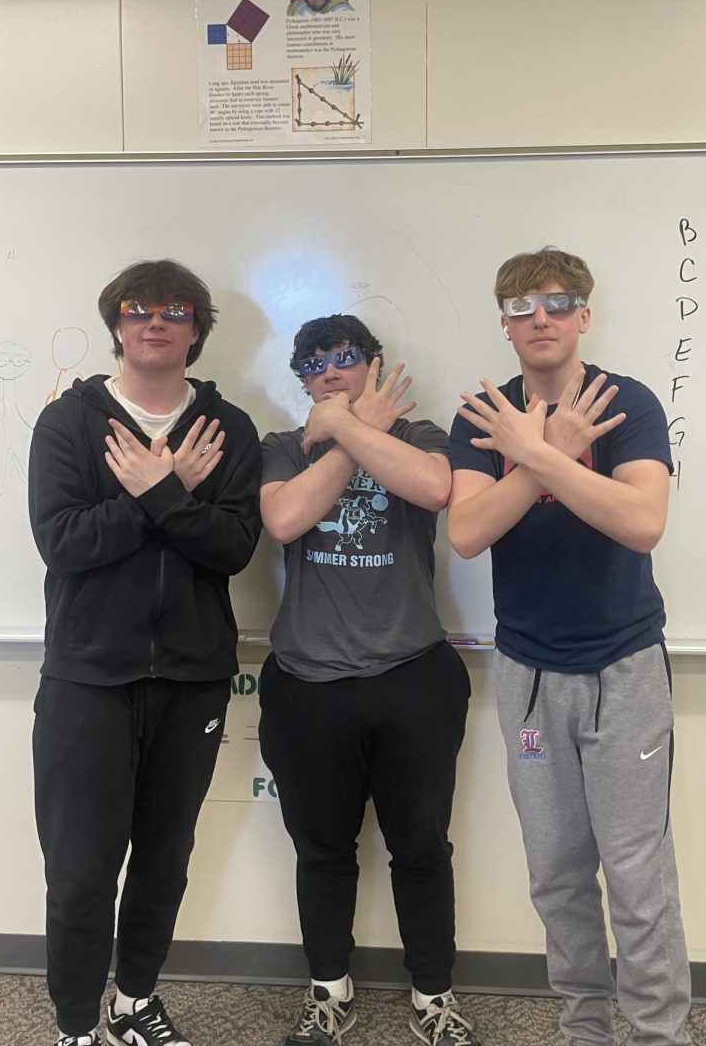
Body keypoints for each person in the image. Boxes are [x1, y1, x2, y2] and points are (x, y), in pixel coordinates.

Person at [448, 247, 692, 1046]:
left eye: (558, 302)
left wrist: (544, 452)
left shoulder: (629, 404)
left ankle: (660, 1035)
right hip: (528, 673)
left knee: (636, 875)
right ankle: (585, 1031)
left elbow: (641, 521)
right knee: (556, 875)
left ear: (584, 316)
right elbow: (470, 533)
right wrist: (540, 452)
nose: (540, 317)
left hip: (624, 666)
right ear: (507, 325)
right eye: (522, 306)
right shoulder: (482, 417)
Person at [28, 259, 262, 1046]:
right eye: (137, 308)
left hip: (192, 680)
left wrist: (158, 494)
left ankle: (133, 1003)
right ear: (116, 323)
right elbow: (62, 543)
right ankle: (74, 1026)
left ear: (195, 327)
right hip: (87, 680)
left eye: (173, 308)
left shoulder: (228, 431)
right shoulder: (70, 423)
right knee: (81, 872)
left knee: (164, 860)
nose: (153, 320)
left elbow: (232, 547)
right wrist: (159, 497)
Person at [258, 314, 482, 1046]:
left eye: (345, 358)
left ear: (374, 367)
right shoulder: (281, 448)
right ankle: (329, 991)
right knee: (321, 849)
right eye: (313, 363)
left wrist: (353, 431)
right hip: (306, 684)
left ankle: (434, 995)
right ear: (301, 379)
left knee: (422, 846)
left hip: (412, 675)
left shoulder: (417, 438)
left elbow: (436, 489)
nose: (328, 372)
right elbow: (286, 518)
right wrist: (351, 439)